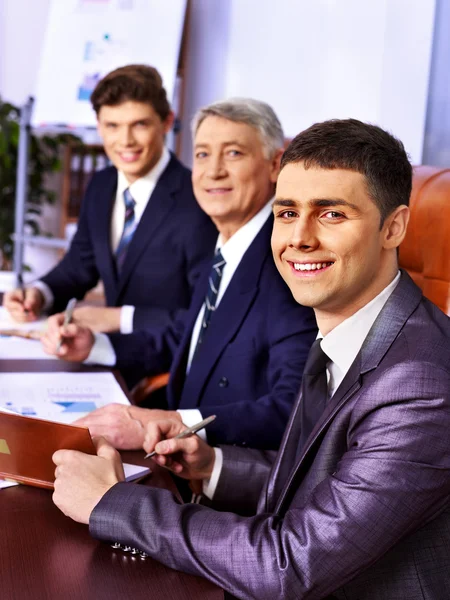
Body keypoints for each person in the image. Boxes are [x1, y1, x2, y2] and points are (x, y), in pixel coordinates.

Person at [52, 119, 450, 600]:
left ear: (394, 227)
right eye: (286, 213)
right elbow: (323, 485)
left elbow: (291, 564)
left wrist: (112, 503)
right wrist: (212, 465)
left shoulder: (419, 384)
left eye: (331, 215)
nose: (298, 238)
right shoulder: (347, 328)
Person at [42, 98, 317, 450]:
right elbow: (185, 341)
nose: (213, 170)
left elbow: (292, 413)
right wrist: (94, 344)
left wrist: (171, 424)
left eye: (233, 153)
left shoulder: (287, 267)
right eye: (202, 155)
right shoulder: (227, 246)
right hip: (178, 452)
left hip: (227, 473)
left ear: (276, 164)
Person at [3, 64, 217, 333]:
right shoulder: (101, 186)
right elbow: (80, 265)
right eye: (113, 126)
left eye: (139, 124)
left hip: (165, 368)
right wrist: (39, 293)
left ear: (166, 122)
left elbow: (205, 316)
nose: (125, 140)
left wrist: (118, 319)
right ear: (100, 127)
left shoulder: (200, 200)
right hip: (105, 357)